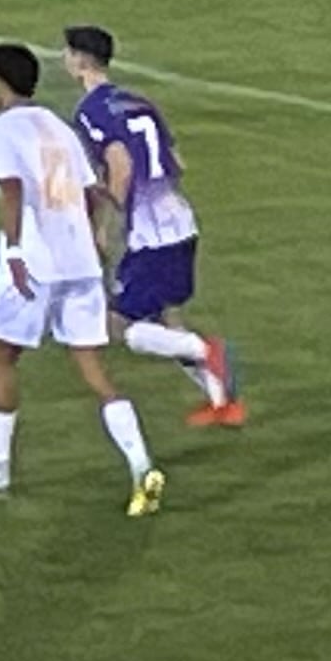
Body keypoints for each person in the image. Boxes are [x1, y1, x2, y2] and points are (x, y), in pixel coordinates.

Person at [0, 43, 165, 516]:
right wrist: (91, 241)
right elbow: (93, 192)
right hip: (79, 263)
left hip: (34, 262)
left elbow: (11, 190)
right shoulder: (57, 126)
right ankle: (140, 464)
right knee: (93, 370)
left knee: (0, 357)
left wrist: (15, 252)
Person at [61, 27, 242, 426]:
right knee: (167, 317)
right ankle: (222, 402)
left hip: (152, 234)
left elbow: (120, 165)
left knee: (118, 328)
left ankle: (204, 349)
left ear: (80, 61)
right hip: (180, 221)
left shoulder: (91, 111)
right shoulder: (138, 101)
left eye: (68, 52)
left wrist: (105, 221)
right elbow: (177, 159)